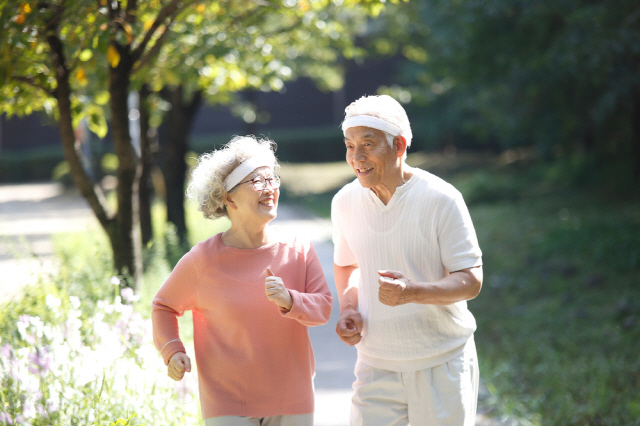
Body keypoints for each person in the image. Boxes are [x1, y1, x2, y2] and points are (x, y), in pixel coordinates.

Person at [152, 135, 333, 426]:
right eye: (257, 181)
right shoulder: (202, 261)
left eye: (272, 178)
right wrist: (172, 350)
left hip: (292, 394)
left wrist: (290, 300)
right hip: (227, 399)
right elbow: (163, 306)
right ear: (228, 197)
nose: (270, 187)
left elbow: (323, 308)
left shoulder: (298, 248)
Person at [331, 95, 483, 426]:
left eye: (368, 144)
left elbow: (471, 280)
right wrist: (349, 308)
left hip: (441, 363)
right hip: (376, 363)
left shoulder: (441, 199)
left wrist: (412, 292)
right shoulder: (344, 202)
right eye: (349, 145)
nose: (356, 157)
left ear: (399, 146)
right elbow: (347, 265)